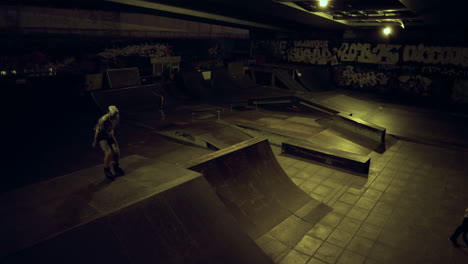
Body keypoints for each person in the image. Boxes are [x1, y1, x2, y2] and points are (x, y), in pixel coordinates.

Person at [92, 105, 124, 180]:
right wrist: (95, 141)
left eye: (116, 114)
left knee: (116, 150)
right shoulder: (103, 120)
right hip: (101, 136)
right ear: (109, 114)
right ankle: (107, 170)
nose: (115, 116)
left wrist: (111, 133)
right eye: (114, 115)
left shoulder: (116, 117)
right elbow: (97, 131)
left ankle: (116, 167)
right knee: (108, 152)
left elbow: (113, 127)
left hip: (109, 134)